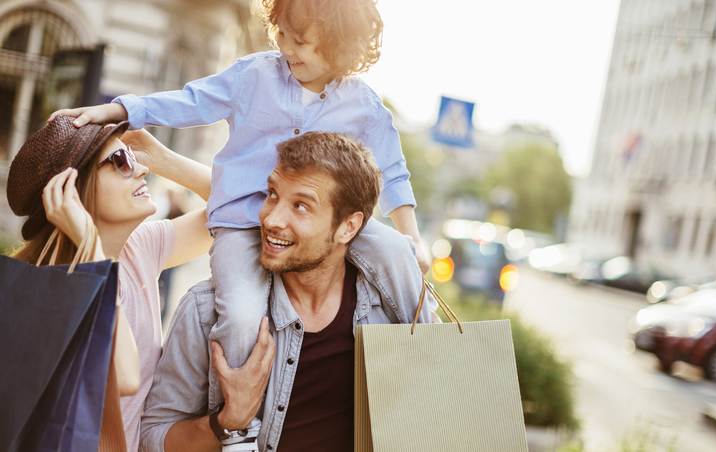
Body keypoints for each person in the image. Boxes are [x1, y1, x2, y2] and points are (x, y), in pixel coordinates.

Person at [49, 0, 431, 436]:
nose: (286, 47)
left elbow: (394, 170)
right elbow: (192, 101)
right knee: (243, 316)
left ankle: (433, 360)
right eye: (281, 34)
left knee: (396, 251)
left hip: (318, 227)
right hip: (240, 226)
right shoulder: (255, 76)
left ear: (339, 45)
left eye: (300, 41)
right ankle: (240, 427)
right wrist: (120, 110)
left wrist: (412, 234)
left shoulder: (363, 105)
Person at [139, 132, 437, 452]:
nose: (271, 218)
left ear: (348, 227)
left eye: (301, 206)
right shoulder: (207, 311)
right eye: (272, 195)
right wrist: (228, 421)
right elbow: (152, 437)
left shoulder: (391, 315)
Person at [7, 116, 214, 451]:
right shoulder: (56, 284)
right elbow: (126, 376)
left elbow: (241, 210)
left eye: (130, 157)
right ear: (72, 189)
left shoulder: (139, 247)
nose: (140, 170)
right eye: (119, 161)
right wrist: (90, 245)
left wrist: (164, 158)